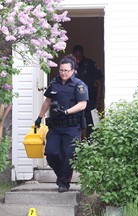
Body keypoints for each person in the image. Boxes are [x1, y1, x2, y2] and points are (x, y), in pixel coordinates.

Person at [34, 55, 89, 193]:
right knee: (51, 153)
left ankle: (64, 183)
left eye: (66, 70)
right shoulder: (54, 83)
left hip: (72, 127)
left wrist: (66, 112)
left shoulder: (79, 85)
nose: (63, 73)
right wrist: (39, 118)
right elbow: (47, 101)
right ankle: (62, 177)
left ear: (72, 70)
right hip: (56, 126)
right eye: (61, 70)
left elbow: (82, 105)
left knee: (68, 155)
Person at [72, 45, 104, 138]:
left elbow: (99, 83)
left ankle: (91, 146)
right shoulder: (69, 66)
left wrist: (98, 101)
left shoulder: (90, 64)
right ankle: (78, 146)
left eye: (80, 57)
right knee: (76, 124)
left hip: (90, 100)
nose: (78, 60)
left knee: (93, 124)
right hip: (75, 100)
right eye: (76, 57)